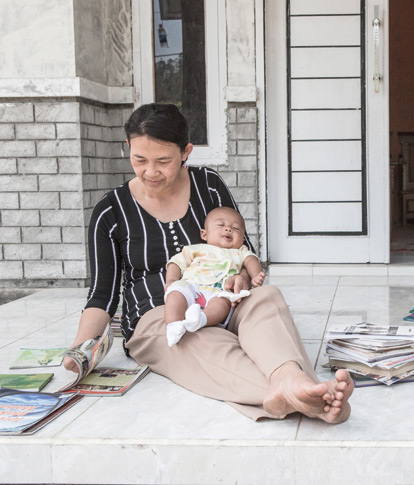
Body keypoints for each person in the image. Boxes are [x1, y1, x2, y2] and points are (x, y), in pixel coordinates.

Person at [63, 103, 353, 422]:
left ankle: (290, 379)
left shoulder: (208, 185)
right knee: (195, 337)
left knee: (266, 298)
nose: (150, 171)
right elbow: (101, 296)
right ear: (128, 148)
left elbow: (245, 250)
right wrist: (81, 350)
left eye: (163, 161)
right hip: (159, 316)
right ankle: (303, 394)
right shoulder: (111, 211)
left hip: (225, 300)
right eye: (139, 159)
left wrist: (243, 278)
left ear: (186, 151)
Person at [164, 206, 265, 346]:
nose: (228, 229)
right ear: (204, 234)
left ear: (243, 238)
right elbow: (175, 263)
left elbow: (251, 260)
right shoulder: (195, 249)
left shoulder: (240, 251)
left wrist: (255, 275)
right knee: (175, 293)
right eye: (221, 225)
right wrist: (171, 280)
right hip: (192, 285)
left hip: (219, 289)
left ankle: (201, 319)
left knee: (223, 303)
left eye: (236, 228)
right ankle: (173, 326)